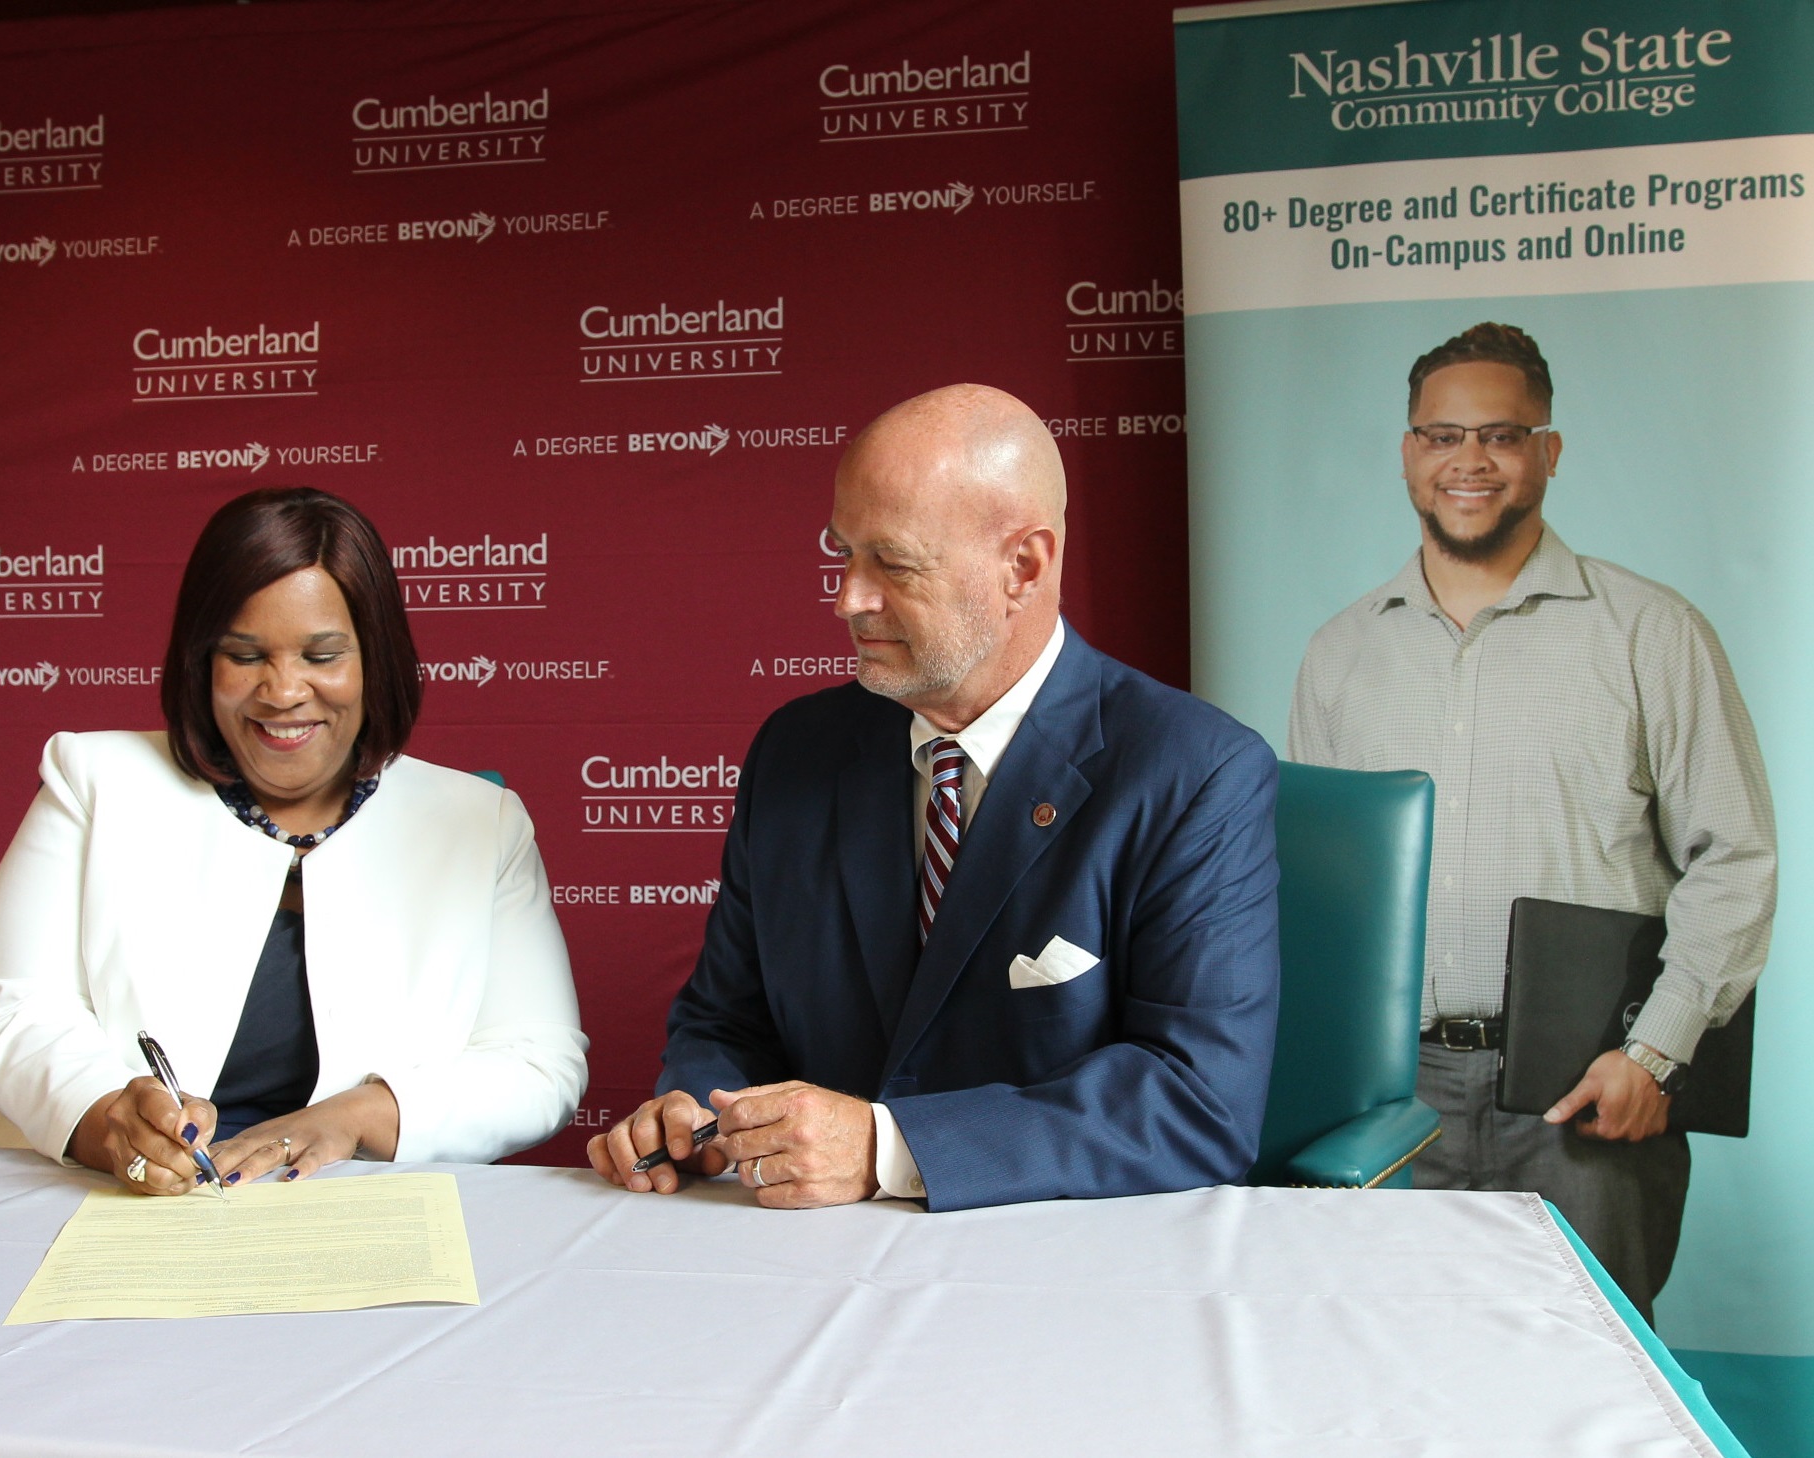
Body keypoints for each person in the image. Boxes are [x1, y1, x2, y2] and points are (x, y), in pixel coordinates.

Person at [589, 384, 1282, 1211]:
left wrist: (889, 1150)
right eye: (841, 552)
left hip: (1066, 1271)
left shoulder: (1192, 771)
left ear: (1022, 566)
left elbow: (1195, 1102)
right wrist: (698, 1115)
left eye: (893, 562)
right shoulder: (796, 751)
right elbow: (725, 1022)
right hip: (802, 1264)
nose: (848, 597)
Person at [1289, 322, 1775, 1316]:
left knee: (1584, 1401)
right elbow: (1318, 900)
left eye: (1499, 436)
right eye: (1439, 436)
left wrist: (1653, 1055)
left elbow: (1732, 859)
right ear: (1405, 454)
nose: (1467, 460)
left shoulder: (1650, 634)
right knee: (1390, 1385)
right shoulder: (1338, 654)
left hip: (1585, 1096)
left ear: (1546, 453)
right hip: (1390, 1100)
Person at [0, 487, 588, 1194]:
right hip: (102, 1196)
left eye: (323, 656)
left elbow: (538, 1064)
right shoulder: (94, 780)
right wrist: (110, 1121)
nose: (283, 692)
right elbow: (7, 1009)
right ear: (202, 664)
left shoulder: (483, 821)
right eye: (245, 654)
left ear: (375, 661)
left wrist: (349, 1118)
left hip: (351, 1206)